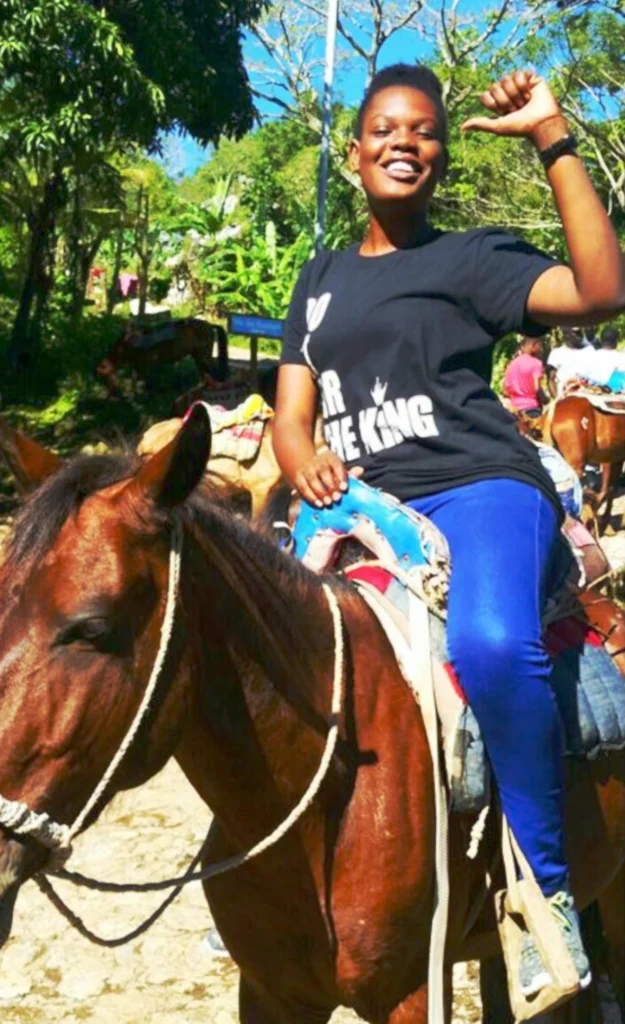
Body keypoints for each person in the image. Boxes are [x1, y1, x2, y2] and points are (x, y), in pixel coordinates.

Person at [273, 63, 625, 999]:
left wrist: (550, 134)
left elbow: (601, 289)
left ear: (440, 156)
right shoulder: (318, 279)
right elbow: (290, 414)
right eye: (385, 128)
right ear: (354, 152)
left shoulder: (470, 259)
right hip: (361, 509)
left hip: (478, 490)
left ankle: (544, 897)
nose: (404, 141)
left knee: (490, 645)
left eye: (424, 130)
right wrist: (300, 456)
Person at [503, 335, 548, 415]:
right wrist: (546, 400)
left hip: (514, 410)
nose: (541, 349)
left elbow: (505, 391)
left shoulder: (512, 364)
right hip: (531, 409)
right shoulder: (536, 363)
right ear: (533, 345)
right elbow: (537, 389)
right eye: (539, 345)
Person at [546, 327, 590, 397]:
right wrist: (558, 400)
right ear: (567, 335)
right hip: (565, 398)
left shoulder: (589, 351)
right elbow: (551, 380)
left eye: (580, 332)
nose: (580, 335)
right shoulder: (557, 353)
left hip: (586, 398)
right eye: (576, 333)